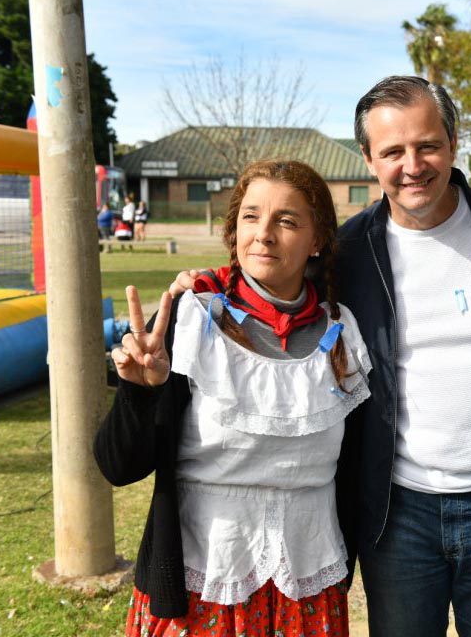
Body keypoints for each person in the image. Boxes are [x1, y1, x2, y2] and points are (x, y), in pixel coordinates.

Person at [169, 76, 471, 637]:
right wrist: (206, 282)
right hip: (395, 513)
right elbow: (272, 282)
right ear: (368, 158)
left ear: (453, 144)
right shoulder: (348, 254)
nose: (413, 165)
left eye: (427, 145)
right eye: (392, 151)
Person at [94, 160, 371, 636]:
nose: (263, 235)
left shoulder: (343, 333)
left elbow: (354, 469)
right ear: (234, 229)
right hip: (202, 586)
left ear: (318, 241)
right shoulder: (191, 318)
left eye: (286, 221)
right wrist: (140, 393)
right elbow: (119, 467)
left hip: (307, 588)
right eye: (250, 216)